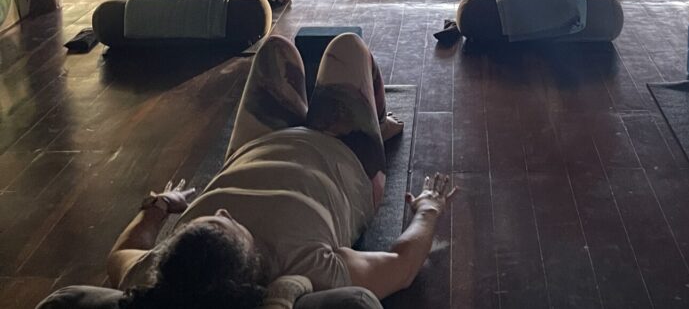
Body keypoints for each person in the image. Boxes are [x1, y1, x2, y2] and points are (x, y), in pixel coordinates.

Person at [107, 33, 456, 307]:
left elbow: (120, 256)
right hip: (346, 153)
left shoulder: (162, 275)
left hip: (253, 148)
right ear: (251, 267)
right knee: (347, 46)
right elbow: (402, 266)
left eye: (204, 219)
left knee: (274, 48)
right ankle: (376, 126)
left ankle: (310, 116)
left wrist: (158, 208)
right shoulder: (311, 268)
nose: (224, 210)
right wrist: (428, 210)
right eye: (229, 224)